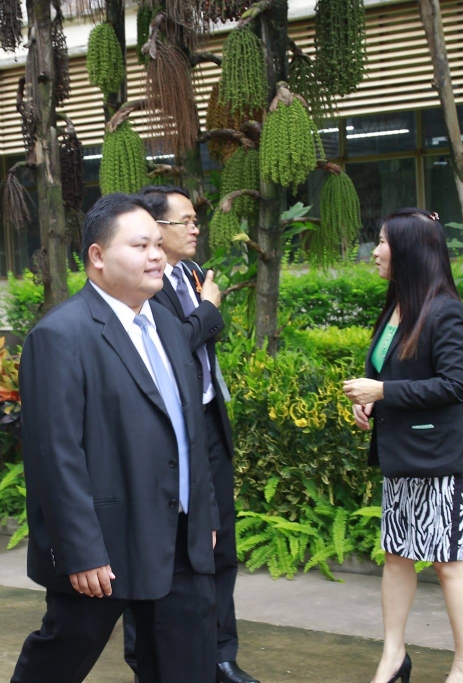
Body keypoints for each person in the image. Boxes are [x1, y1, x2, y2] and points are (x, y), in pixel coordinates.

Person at [11, 193, 220, 683]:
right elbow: (55, 455)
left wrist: (203, 512)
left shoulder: (167, 323)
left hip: (181, 537)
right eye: (141, 245)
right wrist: (81, 550)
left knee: (185, 666)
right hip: (106, 546)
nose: (157, 256)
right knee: (60, 661)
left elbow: (190, 428)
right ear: (98, 256)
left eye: (158, 245)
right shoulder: (60, 335)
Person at [120, 185, 259, 683]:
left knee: (219, 542)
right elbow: (174, 342)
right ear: (155, 228)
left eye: (195, 220)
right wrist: (209, 312)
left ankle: (220, 652)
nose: (195, 228)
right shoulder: (144, 284)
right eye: (185, 221)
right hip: (168, 427)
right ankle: (148, 655)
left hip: (206, 422)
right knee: (163, 545)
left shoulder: (193, 275)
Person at [343, 208, 463, 683]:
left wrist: (383, 392)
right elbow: (393, 374)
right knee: (397, 558)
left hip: (443, 460)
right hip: (402, 457)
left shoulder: (447, 311)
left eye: (383, 242)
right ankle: (393, 657)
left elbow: (455, 386)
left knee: (449, 563)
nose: (375, 252)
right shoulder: (397, 308)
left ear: (408, 251)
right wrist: (372, 404)